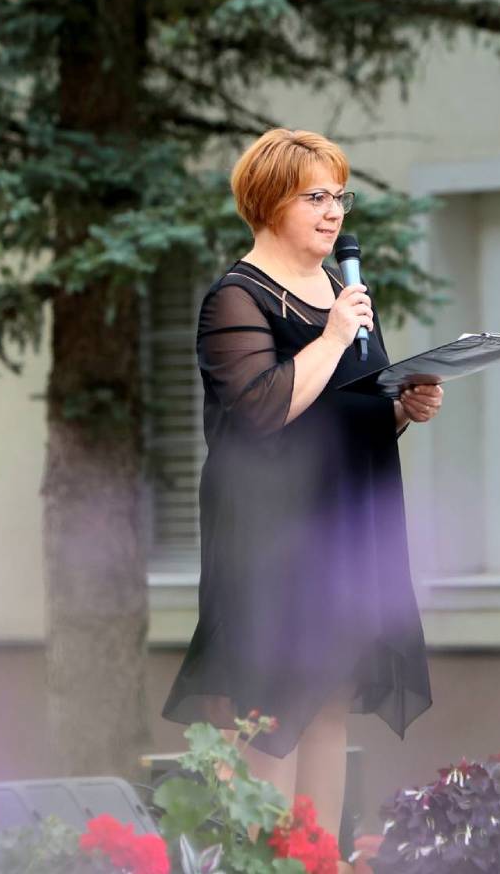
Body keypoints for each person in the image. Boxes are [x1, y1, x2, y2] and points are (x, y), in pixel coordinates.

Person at [161, 128, 439, 847]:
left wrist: (401, 411)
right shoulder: (236, 298)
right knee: (271, 707)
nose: (333, 211)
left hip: (344, 529)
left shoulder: (343, 294)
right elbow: (262, 411)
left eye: (340, 196)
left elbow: (344, 414)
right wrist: (334, 338)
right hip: (270, 535)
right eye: (315, 196)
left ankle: (317, 859)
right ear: (268, 201)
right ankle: (264, 861)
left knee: (328, 703)